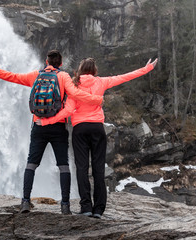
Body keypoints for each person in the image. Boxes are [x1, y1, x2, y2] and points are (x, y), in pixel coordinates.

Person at [0, 50, 103, 215]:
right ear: (60, 63)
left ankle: (25, 201)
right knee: (63, 166)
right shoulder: (63, 76)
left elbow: (12, 77)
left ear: (46, 61)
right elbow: (75, 94)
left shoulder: (35, 76)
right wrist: (96, 99)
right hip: (58, 126)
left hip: (38, 125)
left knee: (31, 163)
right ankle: (65, 205)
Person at [36, 57, 157, 218]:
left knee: (81, 168)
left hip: (80, 130)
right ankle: (99, 210)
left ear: (80, 70)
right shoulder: (101, 82)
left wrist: (46, 122)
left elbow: (67, 112)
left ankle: (86, 207)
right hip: (97, 129)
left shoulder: (74, 86)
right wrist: (146, 69)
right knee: (99, 169)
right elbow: (124, 76)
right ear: (94, 71)